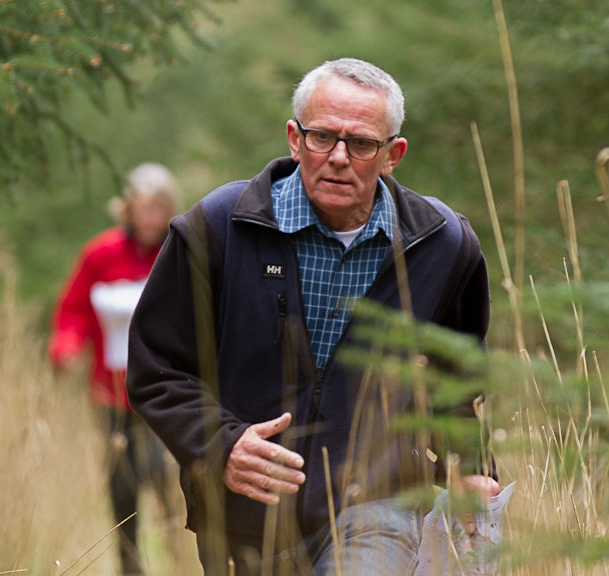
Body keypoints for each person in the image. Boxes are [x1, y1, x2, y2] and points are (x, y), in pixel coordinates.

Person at [126, 58, 499, 575]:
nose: (339, 158)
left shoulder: (443, 244)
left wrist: (471, 469)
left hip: (378, 501)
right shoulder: (218, 226)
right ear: (295, 139)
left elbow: (456, 381)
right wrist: (221, 444)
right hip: (244, 514)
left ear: (393, 155)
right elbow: (156, 369)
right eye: (322, 137)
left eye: (362, 143)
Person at [48, 163, 181, 575]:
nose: (150, 218)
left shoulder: (179, 253)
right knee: (122, 486)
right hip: (110, 394)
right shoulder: (100, 254)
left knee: (164, 476)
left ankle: (180, 557)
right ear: (127, 209)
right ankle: (130, 565)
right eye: (142, 208)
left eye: (158, 209)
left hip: (166, 391)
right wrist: (66, 347)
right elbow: (73, 312)